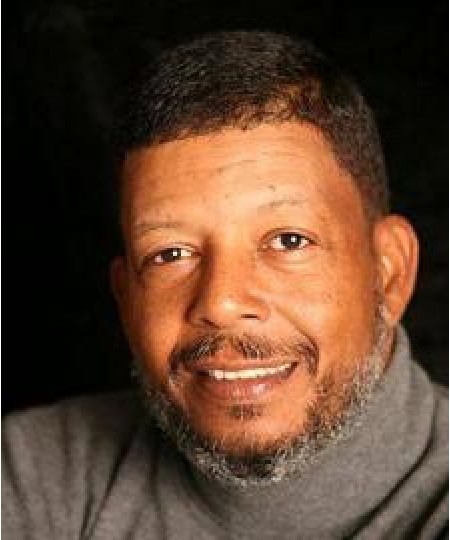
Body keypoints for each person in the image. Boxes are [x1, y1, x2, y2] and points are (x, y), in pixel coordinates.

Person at [2, 31, 448, 539]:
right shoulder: (28, 479)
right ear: (126, 300)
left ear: (389, 273)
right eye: (170, 254)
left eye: (288, 241)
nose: (220, 302)